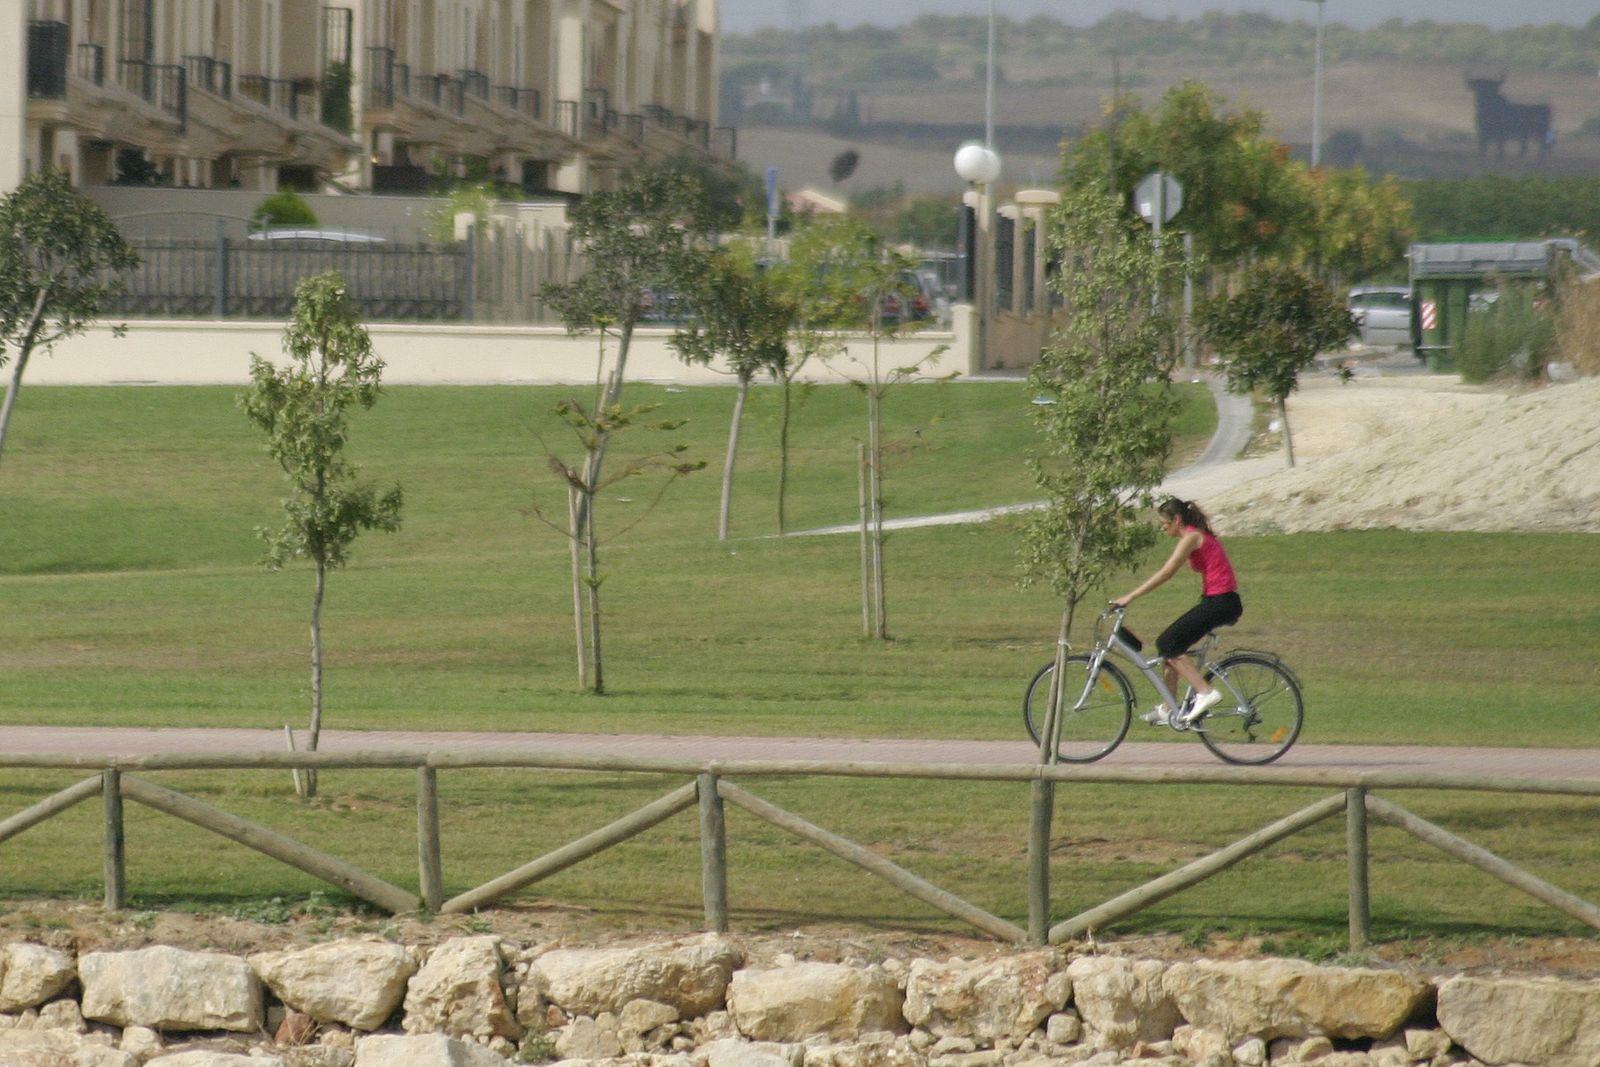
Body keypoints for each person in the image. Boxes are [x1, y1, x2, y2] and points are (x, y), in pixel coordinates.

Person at [1112, 497, 1243, 726]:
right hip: (1218, 600)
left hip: (1221, 602)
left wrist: (1130, 596)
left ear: (1177, 520)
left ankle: (1205, 692)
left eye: (1164, 523)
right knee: (1169, 647)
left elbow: (1166, 572)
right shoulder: (1193, 535)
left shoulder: (1191, 537)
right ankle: (1168, 707)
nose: (1162, 528)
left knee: (1168, 643)